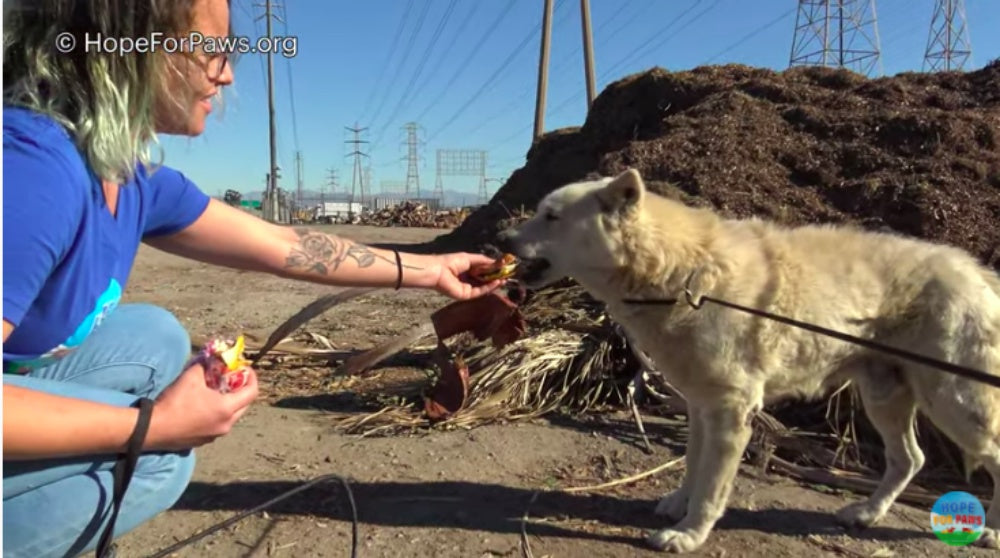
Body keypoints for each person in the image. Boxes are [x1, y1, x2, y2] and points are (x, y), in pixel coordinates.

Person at [2, 1, 505, 556]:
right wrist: (153, 426)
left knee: (155, 337)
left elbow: (285, 245)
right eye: (213, 49)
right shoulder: (33, 172)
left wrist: (432, 270)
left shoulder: (128, 175)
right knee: (159, 464)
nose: (228, 72)